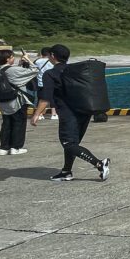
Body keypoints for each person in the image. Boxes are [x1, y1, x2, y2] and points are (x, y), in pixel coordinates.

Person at [30, 44, 110, 182]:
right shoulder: (74, 71)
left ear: (52, 56)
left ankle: (99, 164)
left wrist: (36, 114)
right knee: (73, 144)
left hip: (68, 113)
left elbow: (45, 97)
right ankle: (66, 172)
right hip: (84, 111)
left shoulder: (50, 73)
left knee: (68, 143)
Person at [0, 49, 40, 156]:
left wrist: (19, 64)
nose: (13, 58)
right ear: (8, 59)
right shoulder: (13, 70)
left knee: (6, 124)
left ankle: (3, 148)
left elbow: (13, 75)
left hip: (3, 102)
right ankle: (15, 147)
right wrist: (27, 59)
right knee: (19, 123)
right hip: (17, 101)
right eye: (12, 57)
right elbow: (35, 70)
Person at [33, 47, 57, 119]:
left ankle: (40, 114)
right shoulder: (52, 61)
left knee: (40, 98)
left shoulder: (37, 61)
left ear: (41, 53)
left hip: (40, 83)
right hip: (51, 82)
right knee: (53, 98)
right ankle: (54, 114)